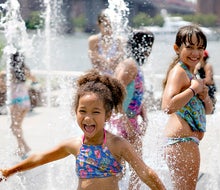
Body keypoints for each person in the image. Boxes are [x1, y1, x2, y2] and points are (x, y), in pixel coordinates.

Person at [0, 70, 166, 190]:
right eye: (82, 111)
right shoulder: (74, 145)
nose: (88, 118)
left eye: (96, 112)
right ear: (76, 112)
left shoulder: (117, 144)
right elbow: (40, 158)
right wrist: (10, 170)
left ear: (107, 115)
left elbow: (146, 173)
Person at [161, 25, 213, 190]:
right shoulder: (179, 72)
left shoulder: (191, 74)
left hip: (185, 142)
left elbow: (208, 111)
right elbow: (167, 106)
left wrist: (204, 96)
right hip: (182, 142)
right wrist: (193, 90)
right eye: (189, 47)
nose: (195, 53)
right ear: (177, 48)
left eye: (200, 48)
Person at [113, 30, 155, 190]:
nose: (149, 51)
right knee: (136, 168)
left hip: (129, 120)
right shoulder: (129, 65)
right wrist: (128, 126)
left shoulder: (133, 64)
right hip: (122, 123)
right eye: (148, 46)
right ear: (142, 46)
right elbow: (115, 95)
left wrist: (144, 116)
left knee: (125, 168)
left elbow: (136, 92)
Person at [9, 51, 32, 159]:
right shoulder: (25, 69)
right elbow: (33, 79)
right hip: (25, 101)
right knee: (17, 126)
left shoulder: (11, 71)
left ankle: (25, 147)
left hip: (17, 102)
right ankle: (20, 148)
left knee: (14, 126)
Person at [88, 9, 125, 75]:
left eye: (111, 26)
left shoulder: (119, 40)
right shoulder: (93, 40)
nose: (108, 29)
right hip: (99, 75)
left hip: (115, 76)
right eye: (105, 26)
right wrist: (109, 62)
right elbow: (94, 62)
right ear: (99, 24)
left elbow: (120, 62)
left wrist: (102, 60)